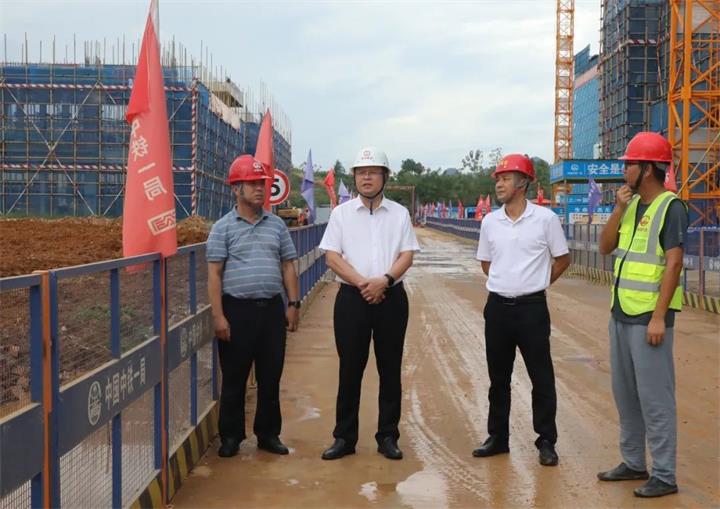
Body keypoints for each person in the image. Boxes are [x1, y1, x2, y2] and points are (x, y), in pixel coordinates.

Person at [597, 132, 686, 498]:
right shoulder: (631, 205)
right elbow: (605, 247)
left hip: (649, 318)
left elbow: (674, 263)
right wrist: (618, 210)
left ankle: (664, 474)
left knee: (655, 398)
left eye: (630, 164)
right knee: (626, 394)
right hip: (621, 313)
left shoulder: (671, 207)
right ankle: (634, 462)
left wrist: (659, 317)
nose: (625, 170)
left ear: (648, 169)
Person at [318, 146, 420, 460]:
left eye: (373, 172)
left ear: (385, 177)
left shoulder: (399, 214)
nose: (366, 178)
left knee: (390, 369)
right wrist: (364, 283)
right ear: (355, 177)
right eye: (361, 173)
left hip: (391, 298)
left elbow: (407, 254)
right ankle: (344, 437)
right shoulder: (341, 214)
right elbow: (332, 256)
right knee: (350, 369)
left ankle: (388, 436)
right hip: (353, 299)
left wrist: (384, 280)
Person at [473, 154, 570, 466]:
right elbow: (486, 263)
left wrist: (538, 282)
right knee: (498, 378)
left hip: (532, 309)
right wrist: (507, 282)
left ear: (523, 182)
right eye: (498, 179)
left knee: (541, 377)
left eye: (505, 178)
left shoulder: (545, 219)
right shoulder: (490, 222)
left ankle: (546, 441)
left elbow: (563, 259)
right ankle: (498, 437)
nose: (499, 184)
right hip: (497, 308)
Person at [207, 155, 300, 458]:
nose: (260, 188)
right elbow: (214, 274)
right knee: (234, 378)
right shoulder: (222, 228)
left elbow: (288, 265)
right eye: (253, 183)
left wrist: (293, 303)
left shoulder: (277, 225)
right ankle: (231, 437)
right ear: (236, 189)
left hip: (271, 311)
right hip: (237, 311)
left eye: (262, 183)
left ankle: (268, 434)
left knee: (270, 377)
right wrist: (219, 316)